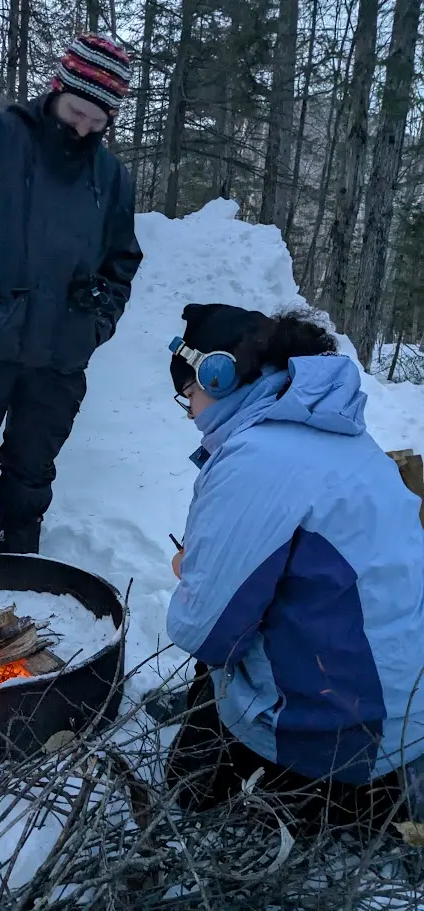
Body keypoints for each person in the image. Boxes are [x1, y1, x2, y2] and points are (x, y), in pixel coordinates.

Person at [164, 303, 424, 828]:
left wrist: (190, 573)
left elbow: (205, 631)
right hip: (407, 714)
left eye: (187, 393)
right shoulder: (346, 435)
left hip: (342, 747)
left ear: (217, 376)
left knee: (186, 778)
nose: (190, 411)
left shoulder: (257, 458)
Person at [0, 34, 143, 561]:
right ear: (59, 89)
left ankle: (19, 555)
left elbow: (122, 261)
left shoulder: (112, 177)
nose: (84, 126)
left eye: (98, 120)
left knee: (34, 464)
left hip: (61, 353)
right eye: (78, 110)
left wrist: (96, 322)